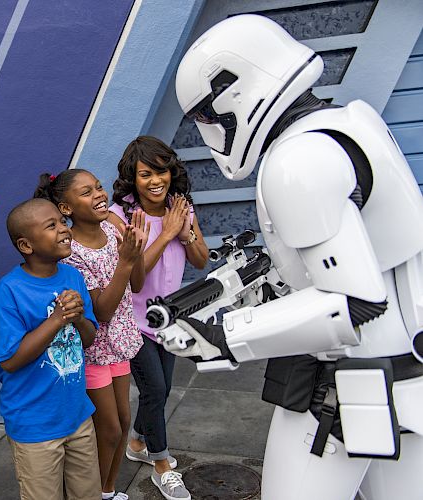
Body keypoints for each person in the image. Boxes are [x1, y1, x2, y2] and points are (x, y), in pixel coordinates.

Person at [166, 13, 423, 500]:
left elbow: (353, 302)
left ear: (234, 93)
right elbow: (372, 264)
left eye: (204, 117)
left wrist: (224, 334)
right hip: (405, 377)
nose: (206, 131)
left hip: (343, 390)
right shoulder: (348, 122)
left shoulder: (296, 160)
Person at [34, 169, 148, 500]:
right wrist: (125, 263)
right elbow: (101, 311)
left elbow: (136, 285)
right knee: (108, 429)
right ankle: (92, 492)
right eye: (86, 192)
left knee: (124, 422)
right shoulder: (72, 252)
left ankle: (109, 490)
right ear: (66, 208)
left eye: (98, 187)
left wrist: (135, 249)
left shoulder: (114, 232)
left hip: (120, 346)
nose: (98, 194)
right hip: (94, 350)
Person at [108, 136, 208, 500]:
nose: (155, 180)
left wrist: (186, 232)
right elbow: (133, 275)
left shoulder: (180, 206)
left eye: (161, 171)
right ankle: (162, 465)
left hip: (168, 317)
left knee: (161, 389)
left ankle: (137, 441)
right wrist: (166, 234)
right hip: (131, 320)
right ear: (132, 178)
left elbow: (200, 259)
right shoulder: (120, 215)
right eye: (145, 173)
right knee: (155, 390)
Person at [0, 198, 101, 500]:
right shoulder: (10, 289)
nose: (64, 229)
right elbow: (11, 360)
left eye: (62, 222)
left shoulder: (73, 277)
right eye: (51, 226)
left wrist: (78, 318)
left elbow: (89, 338)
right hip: (35, 426)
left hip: (77, 415)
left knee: (87, 494)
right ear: (26, 245)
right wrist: (57, 319)